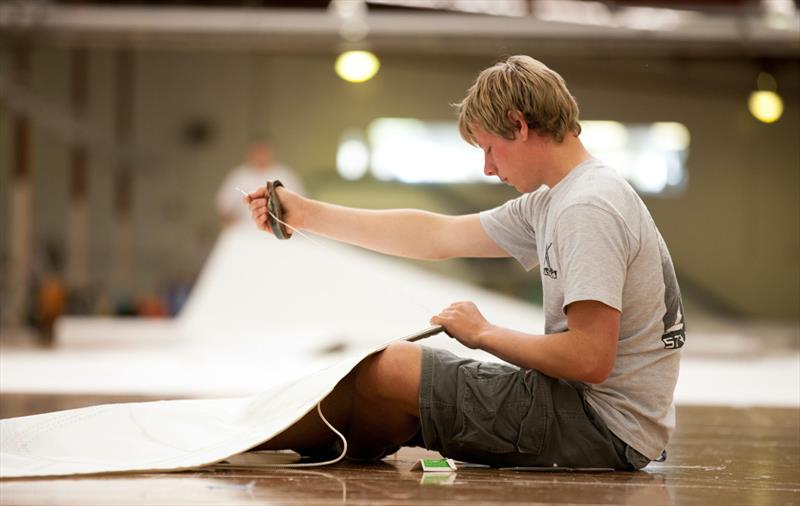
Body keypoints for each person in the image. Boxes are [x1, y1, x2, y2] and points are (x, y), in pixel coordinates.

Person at [244, 55, 685, 470]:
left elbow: (590, 358)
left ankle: (252, 437)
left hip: (599, 426)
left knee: (393, 368)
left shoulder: (586, 207)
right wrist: (304, 214)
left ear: (519, 124)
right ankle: (257, 434)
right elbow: (436, 235)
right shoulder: (558, 199)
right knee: (384, 381)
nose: (489, 168)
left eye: (489, 148)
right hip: (590, 414)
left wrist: (484, 333)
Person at [216, 138, 305, 227]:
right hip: (245, 231)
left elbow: (299, 205)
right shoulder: (238, 176)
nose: (261, 155)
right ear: (249, 153)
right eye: (257, 151)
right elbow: (225, 209)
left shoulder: (285, 175)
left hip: (279, 229)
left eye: (264, 151)